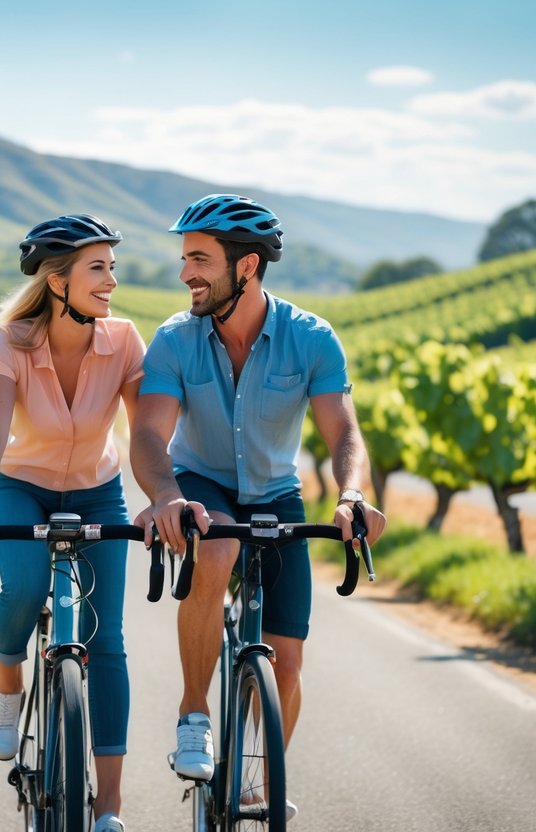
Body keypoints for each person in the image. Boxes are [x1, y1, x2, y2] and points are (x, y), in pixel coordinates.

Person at [130, 194, 388, 821]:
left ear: (245, 267)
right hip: (202, 484)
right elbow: (146, 436)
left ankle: (259, 775)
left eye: (199, 259)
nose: (185, 271)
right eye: (185, 257)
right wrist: (167, 498)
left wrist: (353, 493)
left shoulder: (311, 339)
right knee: (216, 543)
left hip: (277, 493)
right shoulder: (174, 339)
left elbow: (344, 436)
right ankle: (195, 712)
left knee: (289, 659)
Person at [0, 213, 145, 832]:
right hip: (20, 487)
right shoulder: (13, 339)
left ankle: (108, 810)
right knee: (25, 588)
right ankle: (9, 684)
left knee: (106, 639)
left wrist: (163, 497)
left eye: (112, 266)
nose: (112, 279)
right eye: (98, 267)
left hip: (97, 492)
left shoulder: (126, 339)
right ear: (57, 281)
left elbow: (145, 439)